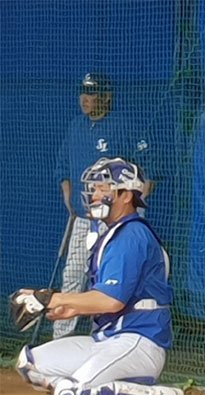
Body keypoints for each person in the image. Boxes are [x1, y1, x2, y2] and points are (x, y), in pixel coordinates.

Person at [13, 157, 184, 395]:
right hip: (106, 340)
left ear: (126, 195)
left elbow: (111, 300)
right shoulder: (113, 233)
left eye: (104, 188)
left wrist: (54, 299)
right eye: (94, 188)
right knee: (30, 364)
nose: (94, 195)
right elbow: (105, 299)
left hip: (138, 342)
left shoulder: (132, 235)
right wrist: (71, 308)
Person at [53, 72, 153, 339]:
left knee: (110, 277)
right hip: (84, 220)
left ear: (107, 97)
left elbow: (148, 171)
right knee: (73, 274)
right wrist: (70, 202)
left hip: (115, 223)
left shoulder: (125, 126)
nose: (85, 98)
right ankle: (62, 338)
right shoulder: (76, 126)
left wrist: (132, 210)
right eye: (83, 92)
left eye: (92, 93)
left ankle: (107, 335)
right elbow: (63, 169)